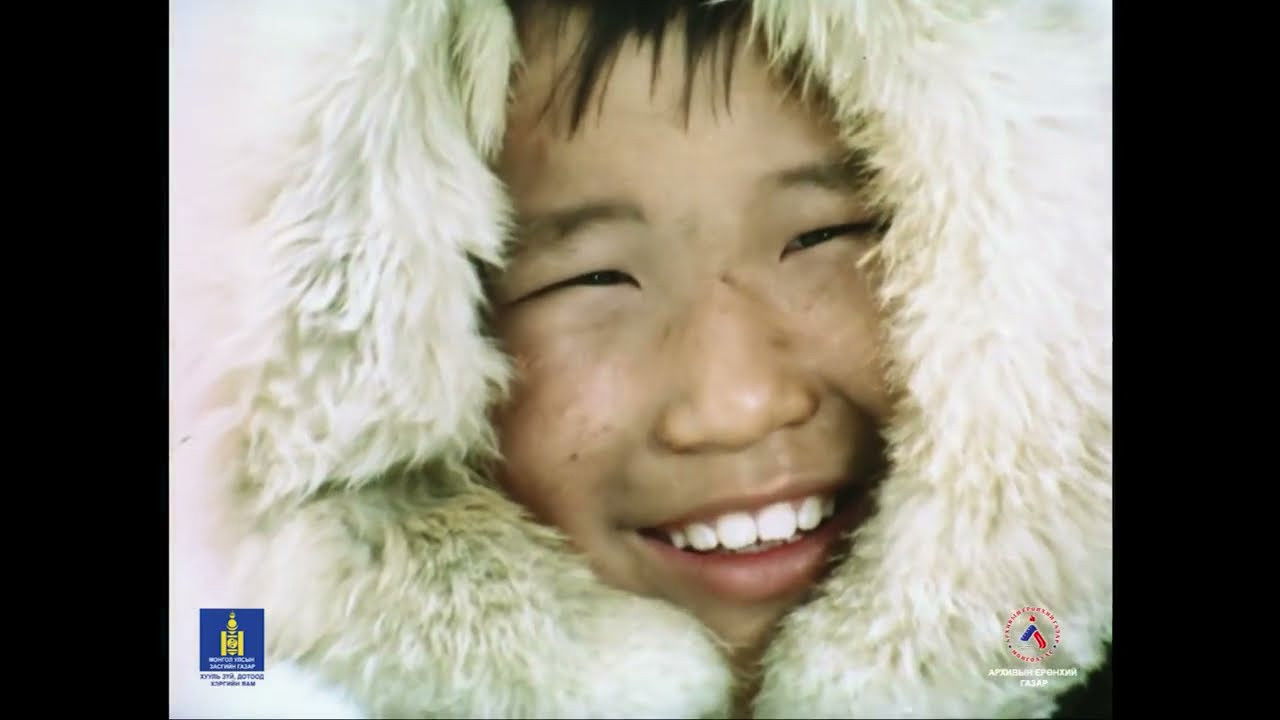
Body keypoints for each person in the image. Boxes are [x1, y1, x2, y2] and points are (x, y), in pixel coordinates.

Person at [169, 1, 1112, 717]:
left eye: (824, 235)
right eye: (591, 280)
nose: (739, 402)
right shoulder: (237, 678)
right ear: (388, 353)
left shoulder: (1050, 656)